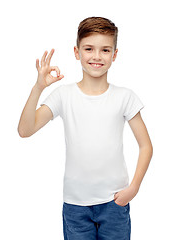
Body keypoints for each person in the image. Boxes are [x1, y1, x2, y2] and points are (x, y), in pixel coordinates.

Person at [18, 16, 153, 240]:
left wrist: (134, 188)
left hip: (114, 203)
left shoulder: (124, 97)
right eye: (89, 48)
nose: (97, 56)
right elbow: (25, 130)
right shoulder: (63, 95)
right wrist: (38, 87)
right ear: (76, 51)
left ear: (115, 55)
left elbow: (146, 146)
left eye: (105, 50)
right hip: (75, 206)